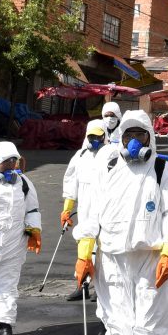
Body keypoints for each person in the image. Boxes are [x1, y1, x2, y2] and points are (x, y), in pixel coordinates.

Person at [73, 110, 168, 335]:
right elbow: (91, 213)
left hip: (151, 259)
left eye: (140, 135)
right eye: (128, 136)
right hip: (112, 260)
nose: (134, 142)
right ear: (120, 138)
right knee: (116, 325)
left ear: (150, 137)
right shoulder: (107, 167)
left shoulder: (164, 170)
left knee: (148, 325)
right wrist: (85, 252)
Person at [0, 141, 42, 335]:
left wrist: (33, 231)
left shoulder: (23, 183)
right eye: (7, 162)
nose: (12, 166)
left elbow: (32, 209)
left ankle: (4, 327)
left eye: (15, 161)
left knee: (6, 287)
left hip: (13, 246)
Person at [63, 121, 107, 305]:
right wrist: (67, 208)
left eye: (98, 136)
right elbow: (71, 183)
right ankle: (82, 284)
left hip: (104, 206)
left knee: (102, 248)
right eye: (91, 136)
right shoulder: (80, 156)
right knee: (83, 245)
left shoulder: (110, 156)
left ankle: (100, 287)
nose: (94, 140)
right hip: (85, 207)